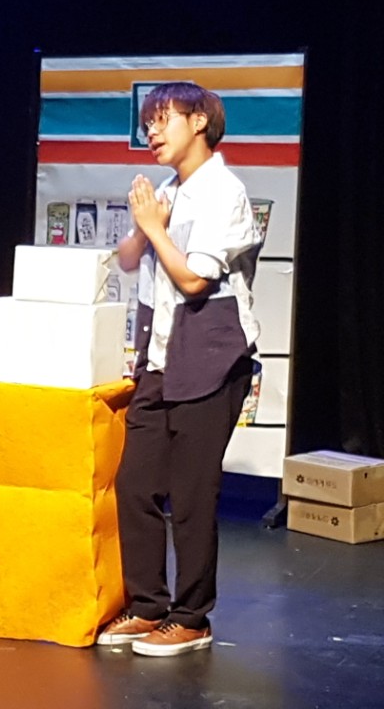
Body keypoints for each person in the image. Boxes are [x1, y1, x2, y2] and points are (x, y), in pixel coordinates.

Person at [96, 83, 263, 656]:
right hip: (161, 361)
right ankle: (148, 606)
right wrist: (144, 225)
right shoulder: (167, 192)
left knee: (192, 495)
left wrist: (156, 229)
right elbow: (127, 259)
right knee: (135, 484)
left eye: (162, 119)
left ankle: (192, 618)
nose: (151, 132)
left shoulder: (224, 192)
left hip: (211, 360)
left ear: (198, 122)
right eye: (147, 124)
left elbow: (194, 280)